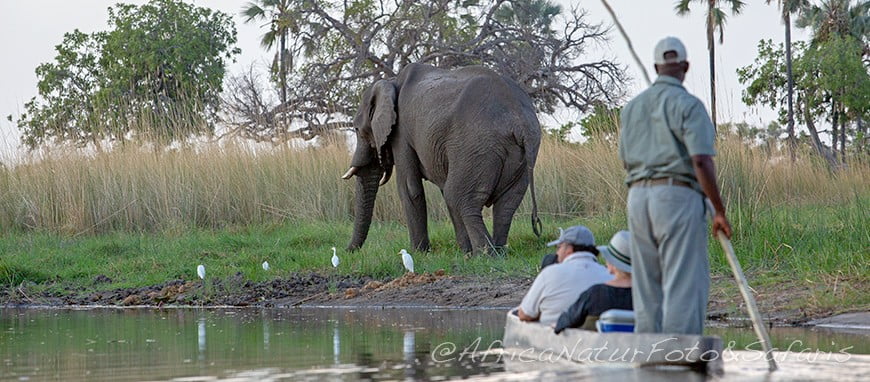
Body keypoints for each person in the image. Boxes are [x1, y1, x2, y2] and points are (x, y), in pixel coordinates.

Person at [618, 36, 732, 335]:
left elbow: (626, 162)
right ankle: (679, 355)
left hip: (638, 197)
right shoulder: (689, 105)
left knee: (646, 282)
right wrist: (719, 210)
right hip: (677, 196)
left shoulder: (631, 108)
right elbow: (701, 161)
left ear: (656, 67)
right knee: (683, 280)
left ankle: (650, 355)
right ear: (685, 66)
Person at [517, 225, 613, 325]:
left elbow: (524, 314)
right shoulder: (609, 275)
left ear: (569, 249)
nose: (557, 252)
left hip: (554, 336)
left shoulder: (549, 273)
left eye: (559, 247)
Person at [553, 230, 633, 334]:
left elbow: (563, 322)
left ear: (612, 265)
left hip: (599, 348)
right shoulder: (650, 296)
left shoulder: (595, 294)